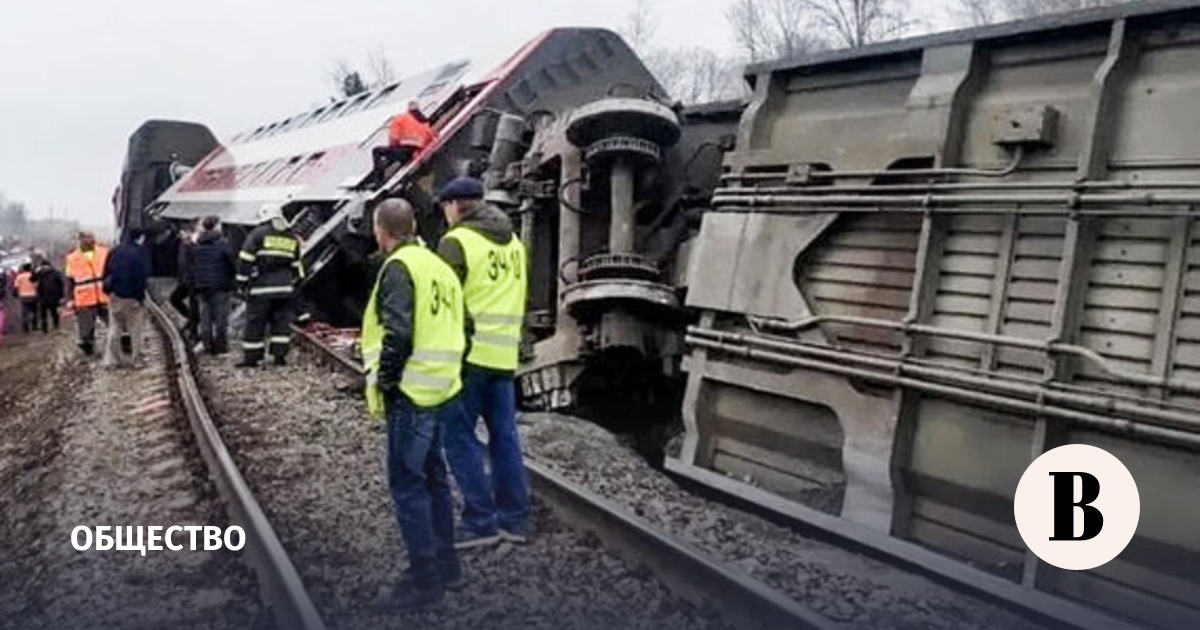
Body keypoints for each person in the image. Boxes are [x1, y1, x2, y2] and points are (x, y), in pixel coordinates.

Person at [361, 198, 464, 610]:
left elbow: (398, 332)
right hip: (441, 387)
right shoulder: (438, 266)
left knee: (408, 485)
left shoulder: (399, 268)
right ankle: (448, 564)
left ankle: (424, 579)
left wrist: (386, 381)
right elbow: (464, 325)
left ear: (381, 230)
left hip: (411, 392)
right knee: (434, 477)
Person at [435, 177, 532, 548]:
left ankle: (480, 522)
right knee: (504, 437)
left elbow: (445, 302)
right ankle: (515, 520)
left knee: (457, 436)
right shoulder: (515, 244)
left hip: (468, 357)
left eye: (444, 207)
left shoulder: (456, 241)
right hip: (503, 357)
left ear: (456, 205)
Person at [236, 203, 304, 367]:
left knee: (255, 323)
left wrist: (242, 282)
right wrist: (292, 284)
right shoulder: (291, 237)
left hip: (261, 289)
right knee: (281, 324)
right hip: (284, 290)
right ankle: (279, 357)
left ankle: (252, 358)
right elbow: (297, 267)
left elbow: (246, 260)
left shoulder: (257, 234)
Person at [101, 229, 151, 368]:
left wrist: (108, 292)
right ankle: (137, 360)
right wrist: (140, 298)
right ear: (141, 237)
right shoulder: (140, 253)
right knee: (135, 330)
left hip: (115, 296)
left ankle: (112, 361)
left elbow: (105, 273)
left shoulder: (114, 251)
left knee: (114, 328)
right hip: (132, 298)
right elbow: (141, 277)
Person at [188, 216, 236, 354]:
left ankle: (207, 345)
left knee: (206, 318)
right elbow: (231, 264)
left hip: (202, 287)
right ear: (216, 227)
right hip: (220, 286)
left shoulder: (197, 246)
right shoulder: (223, 246)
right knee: (221, 318)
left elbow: (192, 266)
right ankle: (220, 347)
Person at [368, 101, 436, 187]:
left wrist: (391, 149)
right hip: (413, 153)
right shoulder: (424, 124)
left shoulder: (400, 118)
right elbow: (430, 138)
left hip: (402, 151)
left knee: (376, 151)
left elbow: (393, 138)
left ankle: (378, 179)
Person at [64, 232, 111, 355]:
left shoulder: (104, 252)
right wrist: (69, 299)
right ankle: (87, 346)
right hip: (84, 298)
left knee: (114, 322)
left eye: (90, 237)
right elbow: (69, 280)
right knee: (85, 327)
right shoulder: (72, 257)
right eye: (85, 238)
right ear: (80, 240)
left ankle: (122, 342)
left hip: (104, 294)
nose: (89, 240)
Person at [170, 223, 200, 342]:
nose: (181, 235)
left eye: (183, 232)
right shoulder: (183, 245)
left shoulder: (193, 246)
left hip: (193, 281)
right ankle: (191, 321)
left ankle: (194, 331)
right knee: (175, 299)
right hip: (185, 280)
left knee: (194, 305)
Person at [33, 259, 65, 333]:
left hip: (42, 296)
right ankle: (56, 325)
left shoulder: (39, 273)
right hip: (53, 295)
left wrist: (35, 271)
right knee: (54, 312)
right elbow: (61, 283)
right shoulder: (55, 272)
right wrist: (61, 295)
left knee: (43, 313)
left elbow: (32, 279)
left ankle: (45, 328)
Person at [13, 263, 39, 333]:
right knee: (34, 311)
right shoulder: (33, 275)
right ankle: (34, 326)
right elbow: (37, 285)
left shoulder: (19, 277)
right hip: (33, 295)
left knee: (25, 312)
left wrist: (15, 295)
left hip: (23, 296)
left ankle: (26, 328)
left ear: (23, 269)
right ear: (30, 268)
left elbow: (16, 287)